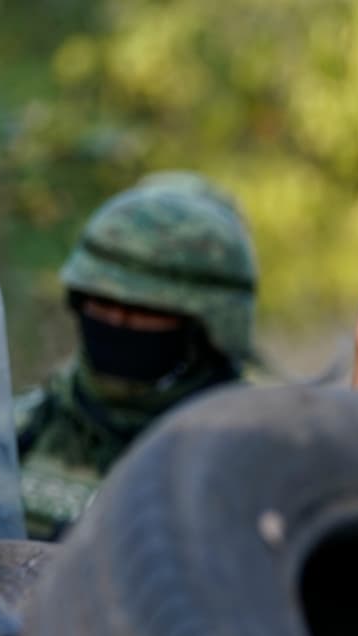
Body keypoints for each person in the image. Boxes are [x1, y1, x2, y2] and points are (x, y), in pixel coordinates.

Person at [14, 182, 258, 540]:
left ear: (207, 326)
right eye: (101, 302)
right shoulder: (13, 434)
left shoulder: (256, 455)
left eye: (142, 309)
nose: (116, 321)